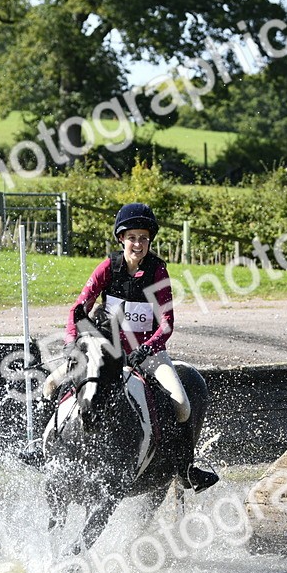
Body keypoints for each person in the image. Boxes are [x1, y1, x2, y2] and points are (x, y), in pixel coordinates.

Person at [45, 202, 219, 493]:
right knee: (51, 384)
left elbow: (166, 324)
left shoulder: (157, 271)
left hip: (147, 354)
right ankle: (42, 449)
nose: (138, 244)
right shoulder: (107, 268)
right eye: (132, 237)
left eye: (143, 238)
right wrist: (71, 343)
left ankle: (186, 470)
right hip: (105, 352)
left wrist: (146, 349)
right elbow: (79, 308)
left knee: (182, 404)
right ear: (121, 239)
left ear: (149, 240)